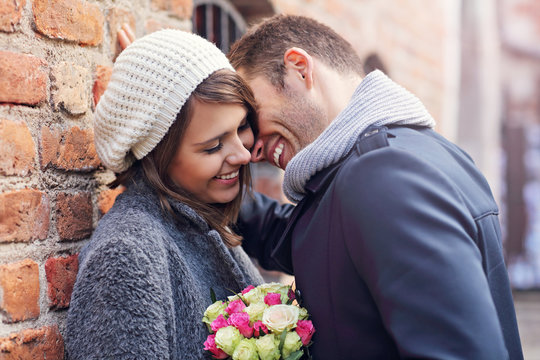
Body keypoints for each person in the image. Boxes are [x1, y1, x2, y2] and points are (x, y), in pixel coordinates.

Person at [228, 14, 524, 359]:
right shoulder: (401, 159)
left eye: (252, 114)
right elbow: (303, 240)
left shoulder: (382, 175)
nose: (252, 150)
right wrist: (204, 180)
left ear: (299, 69)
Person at [65, 29, 264, 359]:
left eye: (241, 127)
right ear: (159, 153)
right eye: (214, 145)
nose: (242, 154)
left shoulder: (199, 222)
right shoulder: (126, 257)